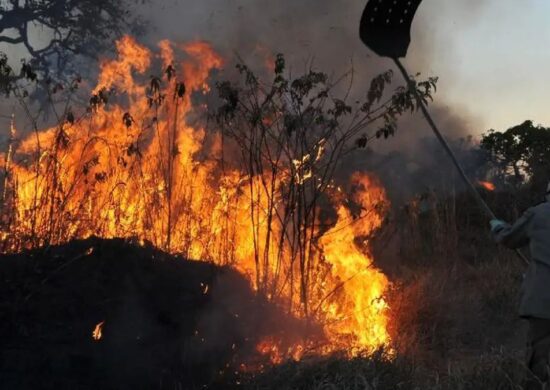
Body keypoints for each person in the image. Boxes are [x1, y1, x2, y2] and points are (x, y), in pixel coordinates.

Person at [491, 182, 550, 388]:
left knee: (539, 363)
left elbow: (509, 238)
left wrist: (498, 227)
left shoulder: (539, 214)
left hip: (543, 303)